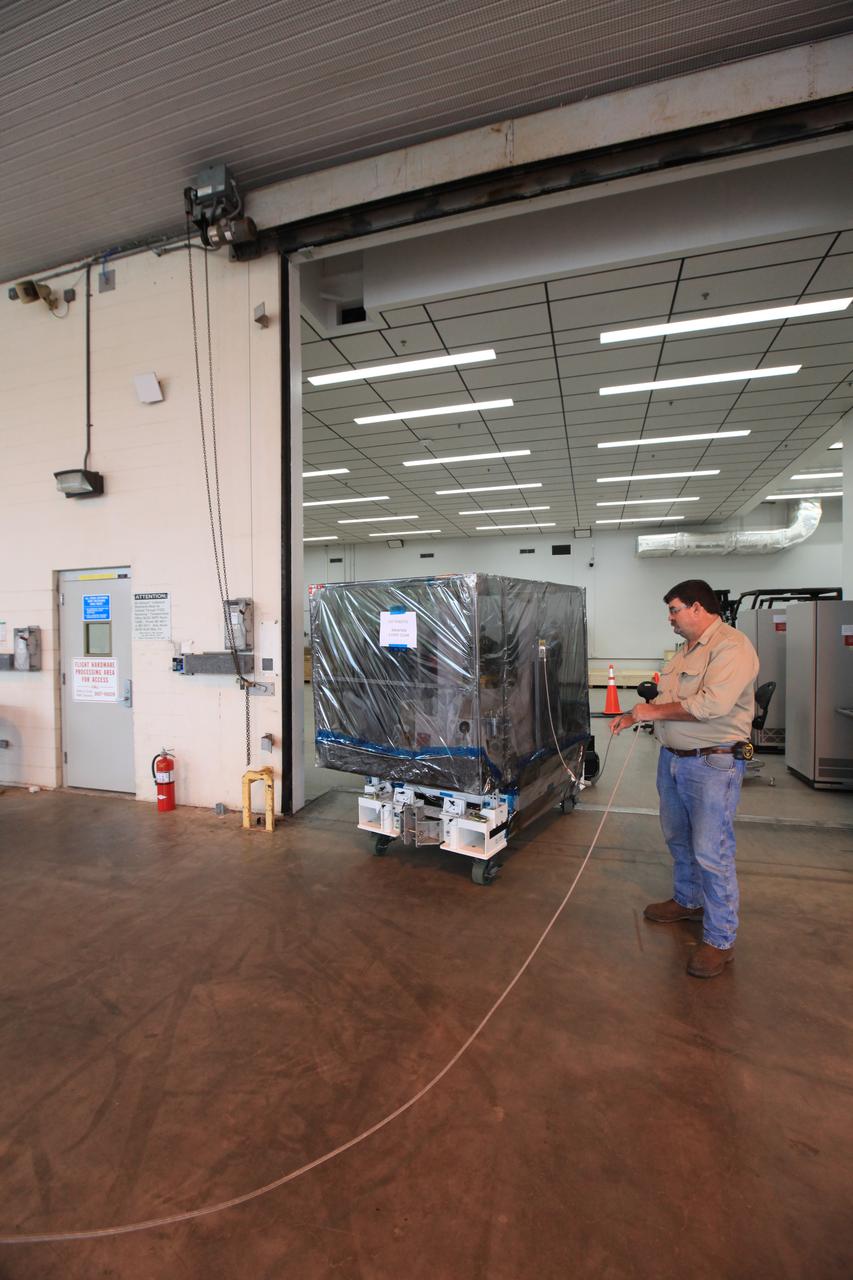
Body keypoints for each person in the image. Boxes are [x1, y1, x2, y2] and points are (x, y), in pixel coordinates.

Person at [611, 579, 759, 979]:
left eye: (675, 609)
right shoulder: (686, 651)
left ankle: (720, 939)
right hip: (673, 759)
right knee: (678, 837)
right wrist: (634, 713)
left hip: (712, 764)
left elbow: (712, 705)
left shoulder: (732, 647)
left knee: (712, 851)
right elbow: (666, 699)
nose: (670, 618)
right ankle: (688, 901)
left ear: (697, 608)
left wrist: (650, 714)